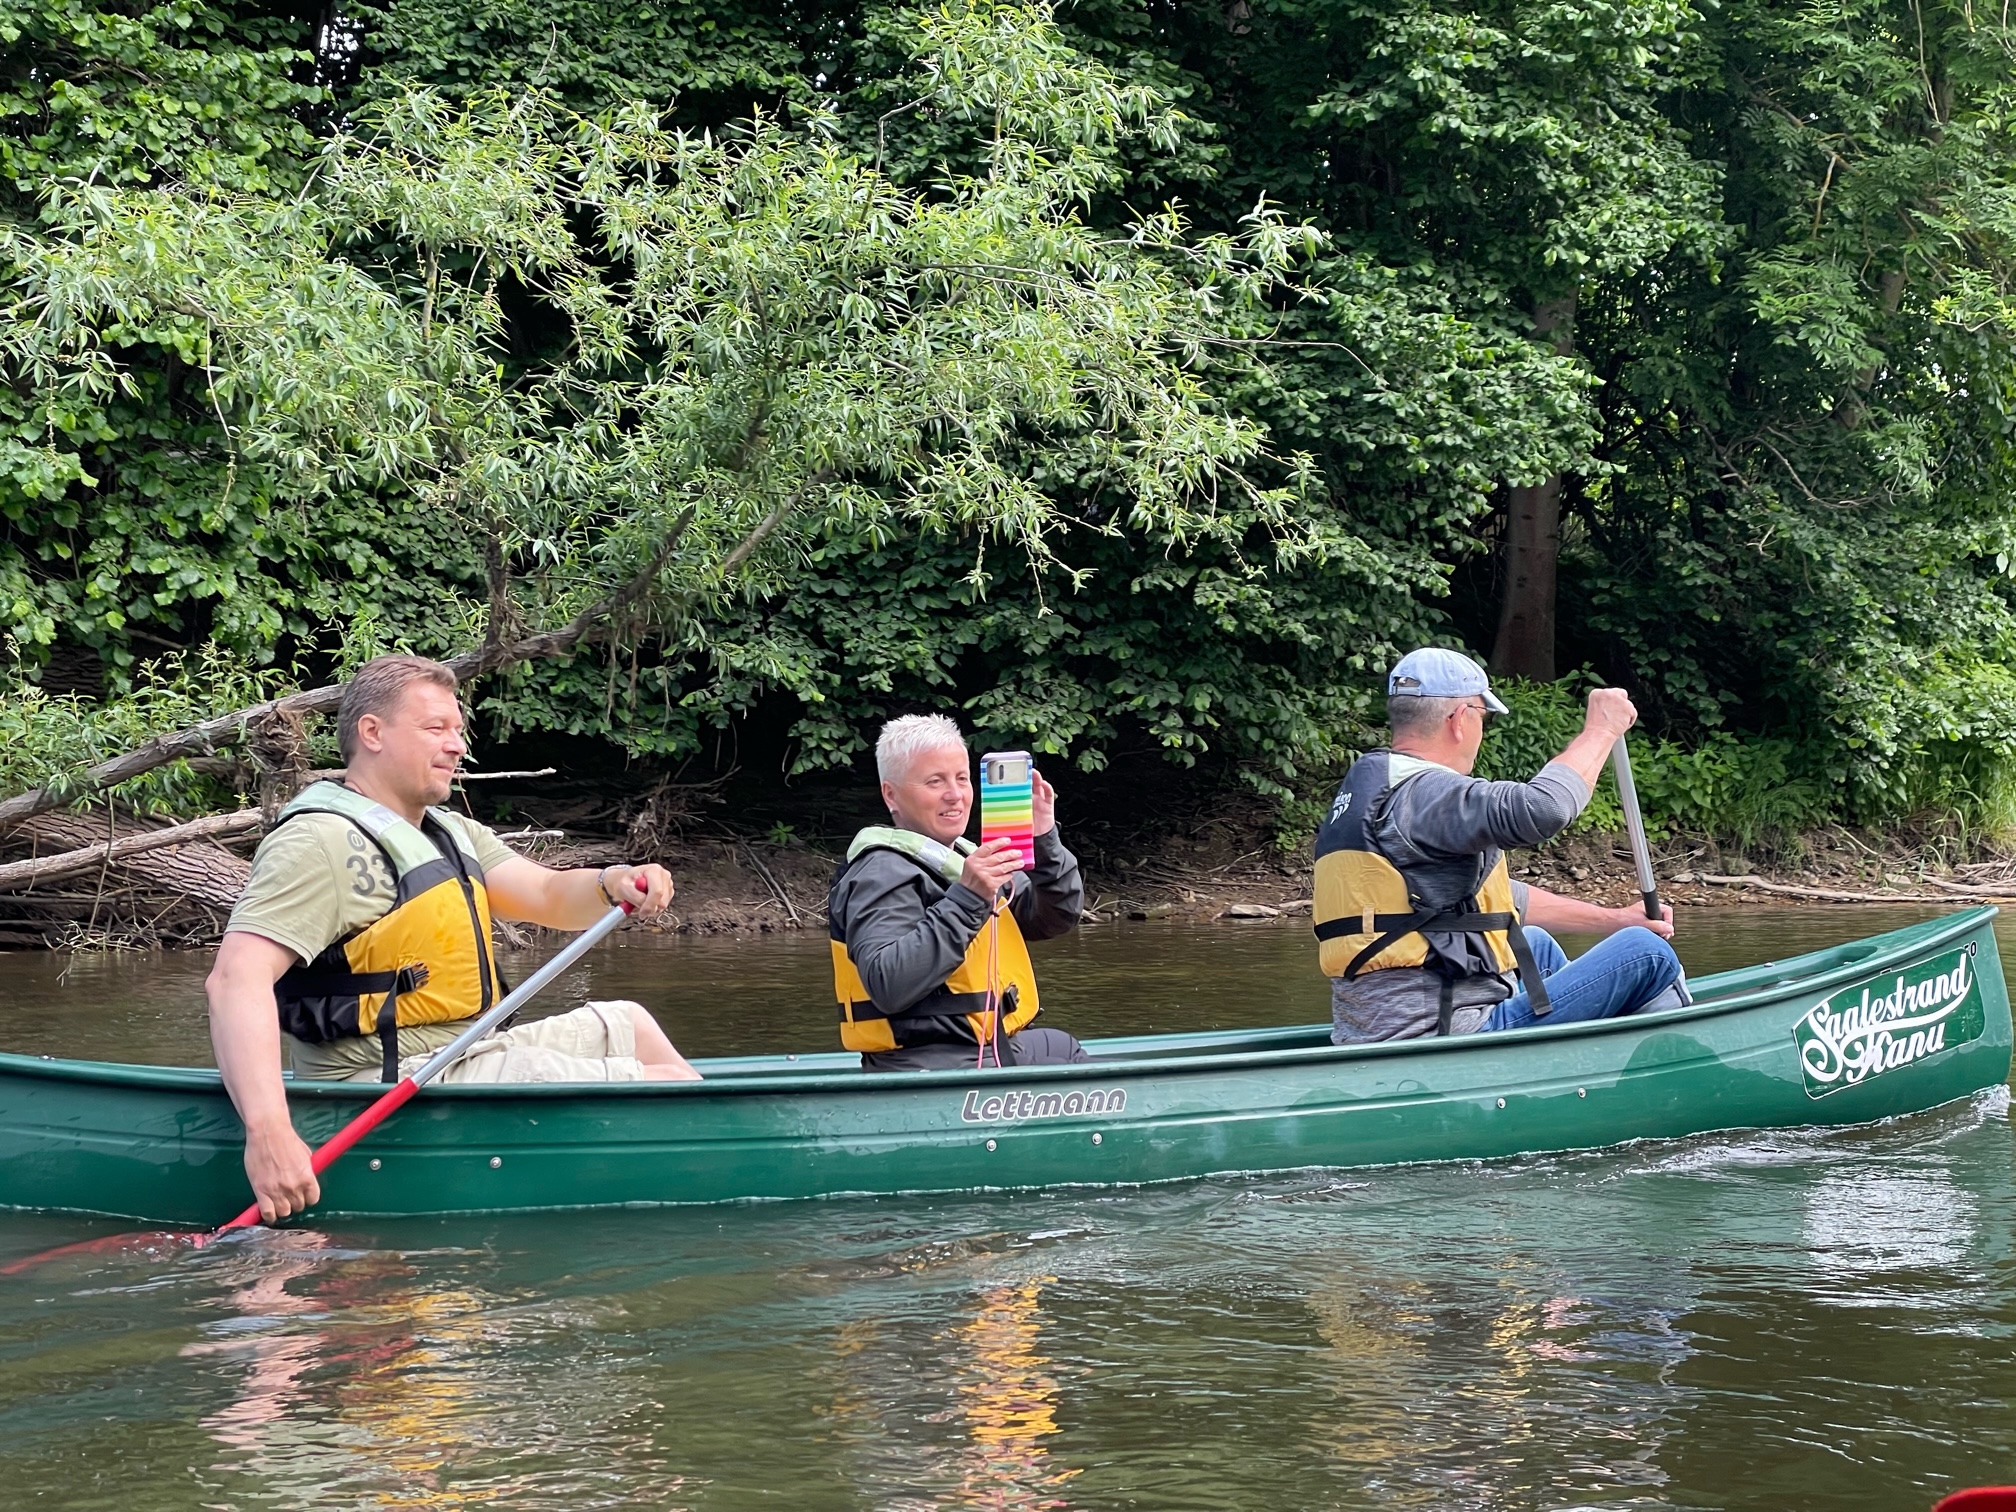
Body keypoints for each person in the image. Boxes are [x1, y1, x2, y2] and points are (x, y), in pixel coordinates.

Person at [208, 653, 700, 1222]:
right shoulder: (319, 842)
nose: (456, 745)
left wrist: (611, 881)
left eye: (458, 731)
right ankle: (686, 1189)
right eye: (435, 728)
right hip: (386, 1083)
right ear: (373, 733)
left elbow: (544, 894)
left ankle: (673, 1173)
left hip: (464, 1054)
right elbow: (234, 980)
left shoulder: (449, 831)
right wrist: (268, 1131)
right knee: (664, 1086)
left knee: (630, 1022)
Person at [1314, 647, 1686, 1044]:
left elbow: (1496, 901)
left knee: (1534, 944)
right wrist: (1601, 731)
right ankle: (1671, 1058)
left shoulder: (1371, 794)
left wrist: (1614, 920)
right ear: (1460, 719)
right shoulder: (1426, 794)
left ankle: (1583, 1049)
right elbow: (1544, 809)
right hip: (1446, 1035)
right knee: (1647, 952)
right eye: (1482, 717)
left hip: (1378, 1029)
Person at [828, 714, 1086, 1072]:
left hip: (983, 1047)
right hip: (929, 1062)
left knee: (1063, 1047)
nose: (955, 795)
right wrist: (968, 898)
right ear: (892, 794)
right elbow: (888, 984)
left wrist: (1044, 841)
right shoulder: (881, 873)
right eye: (935, 781)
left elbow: (1054, 919)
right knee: (1072, 1061)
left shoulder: (962, 858)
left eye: (962, 779)